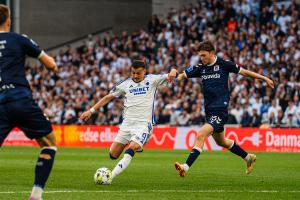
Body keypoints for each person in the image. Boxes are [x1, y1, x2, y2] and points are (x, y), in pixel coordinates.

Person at [168, 41, 274, 177]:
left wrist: (264, 78)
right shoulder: (201, 67)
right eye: (200, 56)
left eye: (204, 55)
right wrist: (174, 72)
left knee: (201, 135)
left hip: (220, 110)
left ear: (212, 53)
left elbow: (245, 72)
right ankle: (248, 157)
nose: (202, 59)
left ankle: (185, 167)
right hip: (209, 110)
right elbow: (181, 76)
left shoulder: (224, 64)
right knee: (221, 141)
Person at [0, 5, 58, 200]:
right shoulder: (19, 39)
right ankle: (36, 195)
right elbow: (50, 64)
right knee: (49, 143)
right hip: (20, 99)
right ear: (8, 21)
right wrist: (53, 67)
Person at [80, 59, 170, 182]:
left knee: (131, 148)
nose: (135, 76)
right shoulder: (126, 84)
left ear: (144, 71)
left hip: (143, 124)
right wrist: (90, 111)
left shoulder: (153, 80)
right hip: (127, 124)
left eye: (138, 73)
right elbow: (107, 97)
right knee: (113, 154)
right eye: (133, 73)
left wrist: (174, 72)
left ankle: (111, 175)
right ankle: (136, 143)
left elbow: (171, 75)